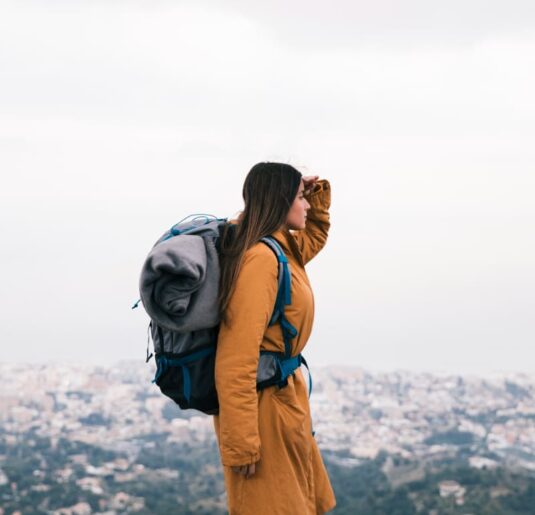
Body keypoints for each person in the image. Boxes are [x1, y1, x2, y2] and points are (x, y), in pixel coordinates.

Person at [213, 162, 336, 514]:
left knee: (296, 501)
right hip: (264, 409)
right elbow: (235, 354)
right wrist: (241, 443)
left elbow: (315, 236)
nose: (307, 206)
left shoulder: (282, 251)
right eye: (300, 198)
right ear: (280, 201)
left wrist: (317, 193)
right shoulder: (261, 261)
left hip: (283, 399)